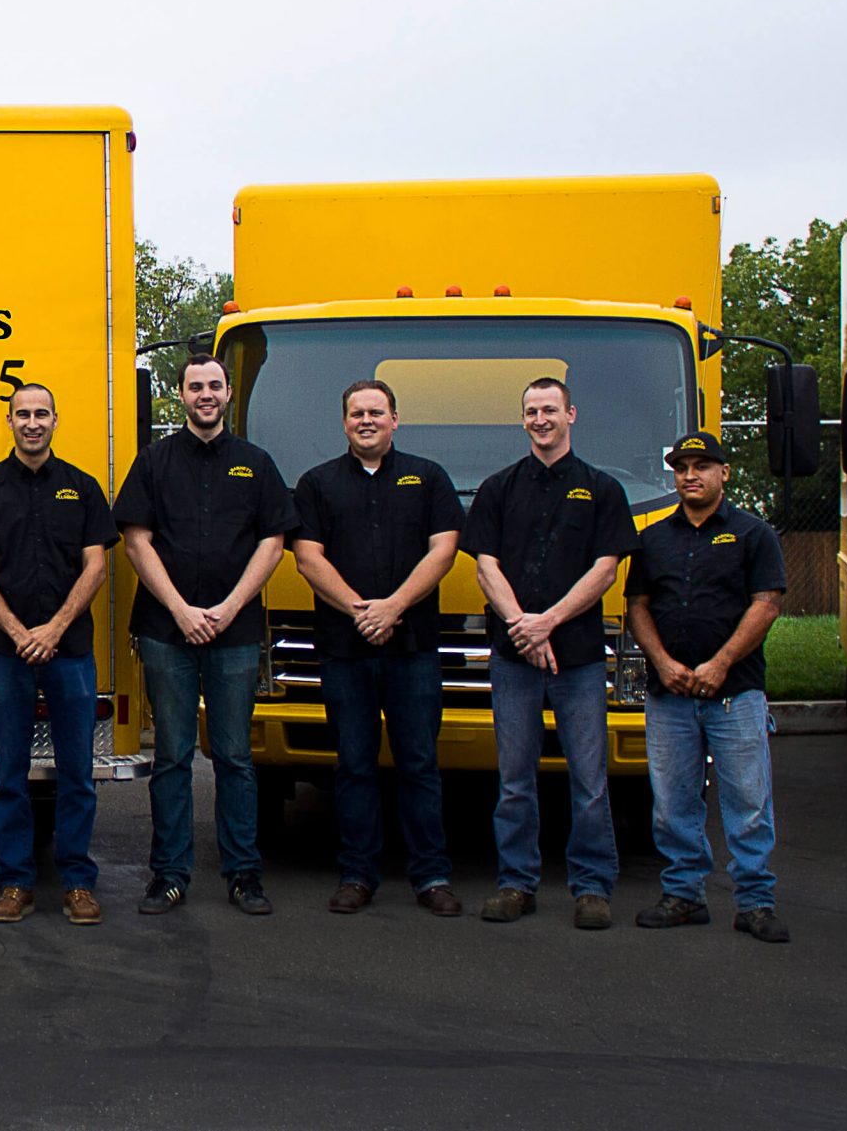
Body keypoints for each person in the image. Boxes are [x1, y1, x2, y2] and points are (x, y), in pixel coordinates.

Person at [115, 353, 297, 916]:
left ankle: (243, 874)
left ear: (226, 394)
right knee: (172, 755)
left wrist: (227, 607)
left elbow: (274, 542)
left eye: (214, 385)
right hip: (167, 632)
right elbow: (136, 542)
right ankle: (169, 875)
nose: (206, 395)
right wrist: (181, 609)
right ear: (182, 395)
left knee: (236, 757)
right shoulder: (154, 462)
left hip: (235, 631)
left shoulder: (255, 464)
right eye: (195, 386)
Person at [462, 377, 636, 929]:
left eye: (550, 410)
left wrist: (549, 623)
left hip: (579, 658)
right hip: (513, 659)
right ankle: (517, 884)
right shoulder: (498, 488)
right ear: (523, 420)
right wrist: (520, 626)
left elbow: (606, 568)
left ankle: (591, 888)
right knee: (515, 780)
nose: (541, 419)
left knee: (589, 780)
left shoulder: (601, 489)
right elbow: (485, 565)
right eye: (532, 411)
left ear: (571, 415)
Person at [289, 380, 466, 918]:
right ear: (344, 423)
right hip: (345, 649)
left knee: (418, 762)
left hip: (412, 648)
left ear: (395, 419)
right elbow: (307, 558)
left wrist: (393, 608)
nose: (366, 420)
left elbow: (444, 550)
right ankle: (357, 874)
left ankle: (431, 876)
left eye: (376, 412)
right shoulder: (316, 484)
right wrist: (361, 612)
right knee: (354, 765)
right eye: (356, 413)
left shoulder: (428, 477)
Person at [0, 385, 115, 925]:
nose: (32, 423)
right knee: (8, 773)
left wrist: (54, 629)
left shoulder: (82, 488)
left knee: (77, 774)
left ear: (55, 420)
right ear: (9, 422)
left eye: (41, 414)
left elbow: (96, 567)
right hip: (6, 652)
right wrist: (23, 632)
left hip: (70, 652)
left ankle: (76, 883)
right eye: (22, 414)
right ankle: (16, 882)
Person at [623, 432, 790, 942]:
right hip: (668, 693)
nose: (690, 475)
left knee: (748, 801)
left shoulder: (753, 533)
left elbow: (766, 604)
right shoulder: (652, 538)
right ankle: (683, 894)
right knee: (673, 802)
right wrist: (662, 662)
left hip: (735, 692)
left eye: (701, 466)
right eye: (681, 468)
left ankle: (756, 903)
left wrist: (720, 663)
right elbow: (637, 606)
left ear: (725, 473)